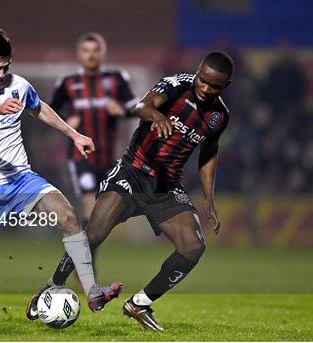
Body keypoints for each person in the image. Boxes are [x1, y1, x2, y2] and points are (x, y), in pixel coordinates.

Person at [27, 51, 234, 331]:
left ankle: (140, 303)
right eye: (203, 80)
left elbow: (209, 154)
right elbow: (141, 106)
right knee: (93, 235)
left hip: (166, 187)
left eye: (214, 86)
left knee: (193, 247)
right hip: (132, 173)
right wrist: (157, 115)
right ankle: (52, 286)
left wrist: (209, 198)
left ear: (225, 86)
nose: (206, 88)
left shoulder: (219, 116)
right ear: (198, 72)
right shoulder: (176, 86)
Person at [0, 27, 121, 326]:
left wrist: (74, 134)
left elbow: (39, 109)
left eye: (6, 67)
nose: (1, 74)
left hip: (20, 179)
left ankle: (92, 290)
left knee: (68, 216)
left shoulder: (19, 85)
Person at [51, 32, 137, 224]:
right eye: (86, 50)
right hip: (80, 157)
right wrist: (66, 120)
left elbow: (136, 107)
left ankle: (83, 249)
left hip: (110, 159)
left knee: (107, 214)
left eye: (95, 50)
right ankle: (83, 254)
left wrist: (121, 110)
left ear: (103, 53)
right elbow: (48, 111)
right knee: (90, 211)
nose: (91, 55)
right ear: (79, 54)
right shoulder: (68, 83)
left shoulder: (116, 79)